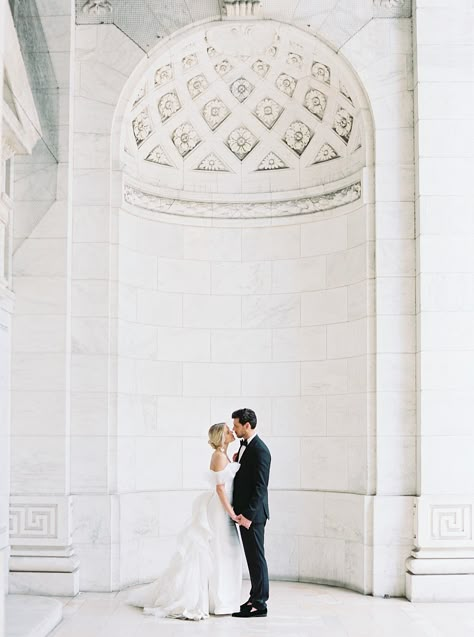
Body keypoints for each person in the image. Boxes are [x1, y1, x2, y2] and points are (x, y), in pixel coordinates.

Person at [127, 422, 242, 620]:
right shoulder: (218, 456)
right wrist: (231, 513)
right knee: (220, 551)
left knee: (223, 551)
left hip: (222, 508)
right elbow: (220, 488)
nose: (231, 431)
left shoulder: (222, 456)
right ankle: (220, 600)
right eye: (227, 430)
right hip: (220, 510)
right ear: (221, 437)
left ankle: (221, 599)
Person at [231, 408, 271, 618]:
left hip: (253, 516)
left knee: (257, 559)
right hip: (246, 514)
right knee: (252, 557)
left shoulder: (261, 450)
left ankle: (260, 604)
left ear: (247, 426)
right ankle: (253, 597)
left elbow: (260, 487)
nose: (233, 429)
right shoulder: (245, 446)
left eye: (236, 425)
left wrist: (247, 515)